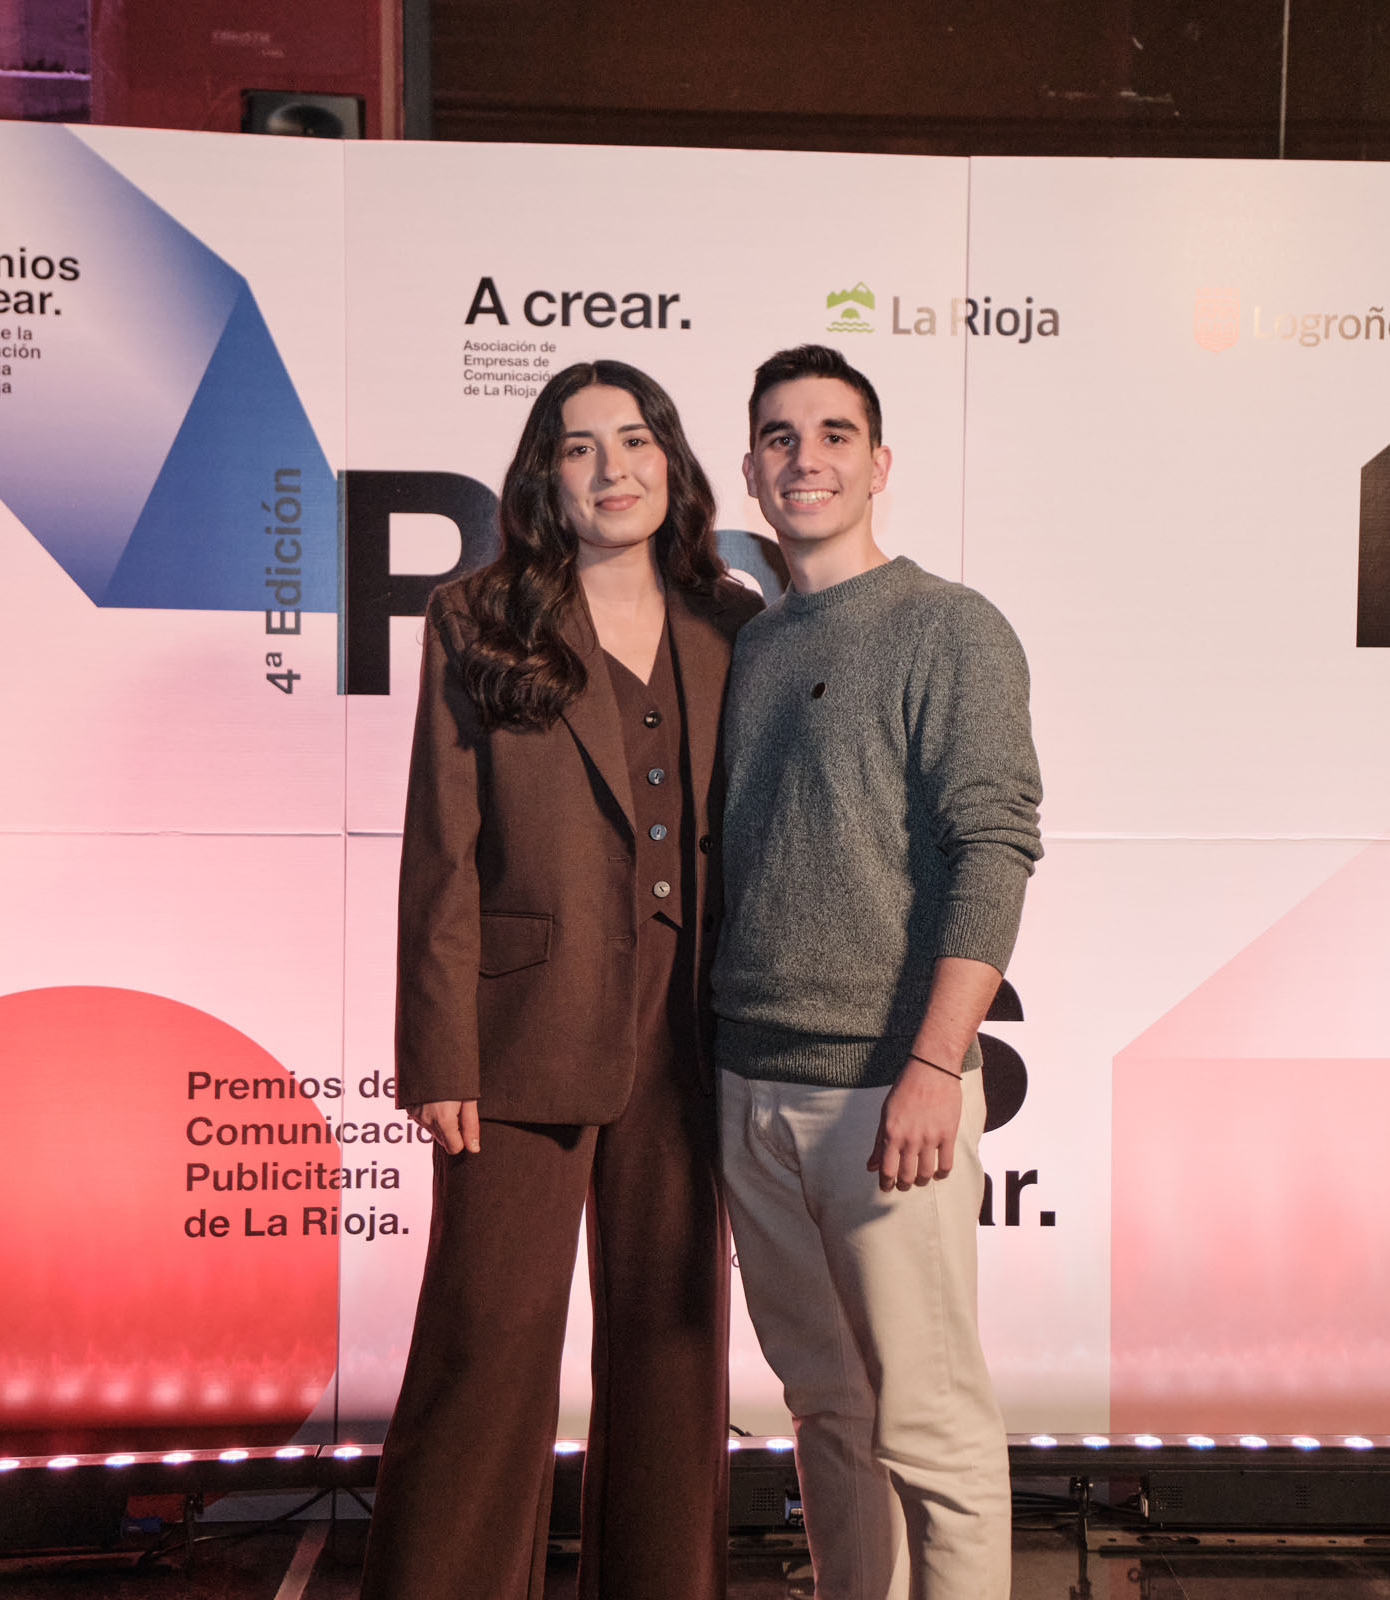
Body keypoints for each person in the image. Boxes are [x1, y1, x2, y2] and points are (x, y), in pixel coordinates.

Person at [360, 360, 764, 1600]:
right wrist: (440, 1058)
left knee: (673, 1354)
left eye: (635, 440)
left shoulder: (735, 620)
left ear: (672, 460)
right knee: (485, 1346)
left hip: (691, 1034)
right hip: (517, 1029)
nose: (612, 469)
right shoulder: (476, 616)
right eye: (580, 447)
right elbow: (441, 852)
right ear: (547, 476)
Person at [712, 345, 1044, 1599]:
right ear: (752, 471)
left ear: (880, 463)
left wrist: (933, 1065)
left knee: (933, 1428)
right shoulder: (749, 646)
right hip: (749, 1088)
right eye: (781, 437)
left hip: (884, 1095)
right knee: (826, 1410)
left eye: (834, 434)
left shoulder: (948, 626)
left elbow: (995, 848)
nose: (807, 458)